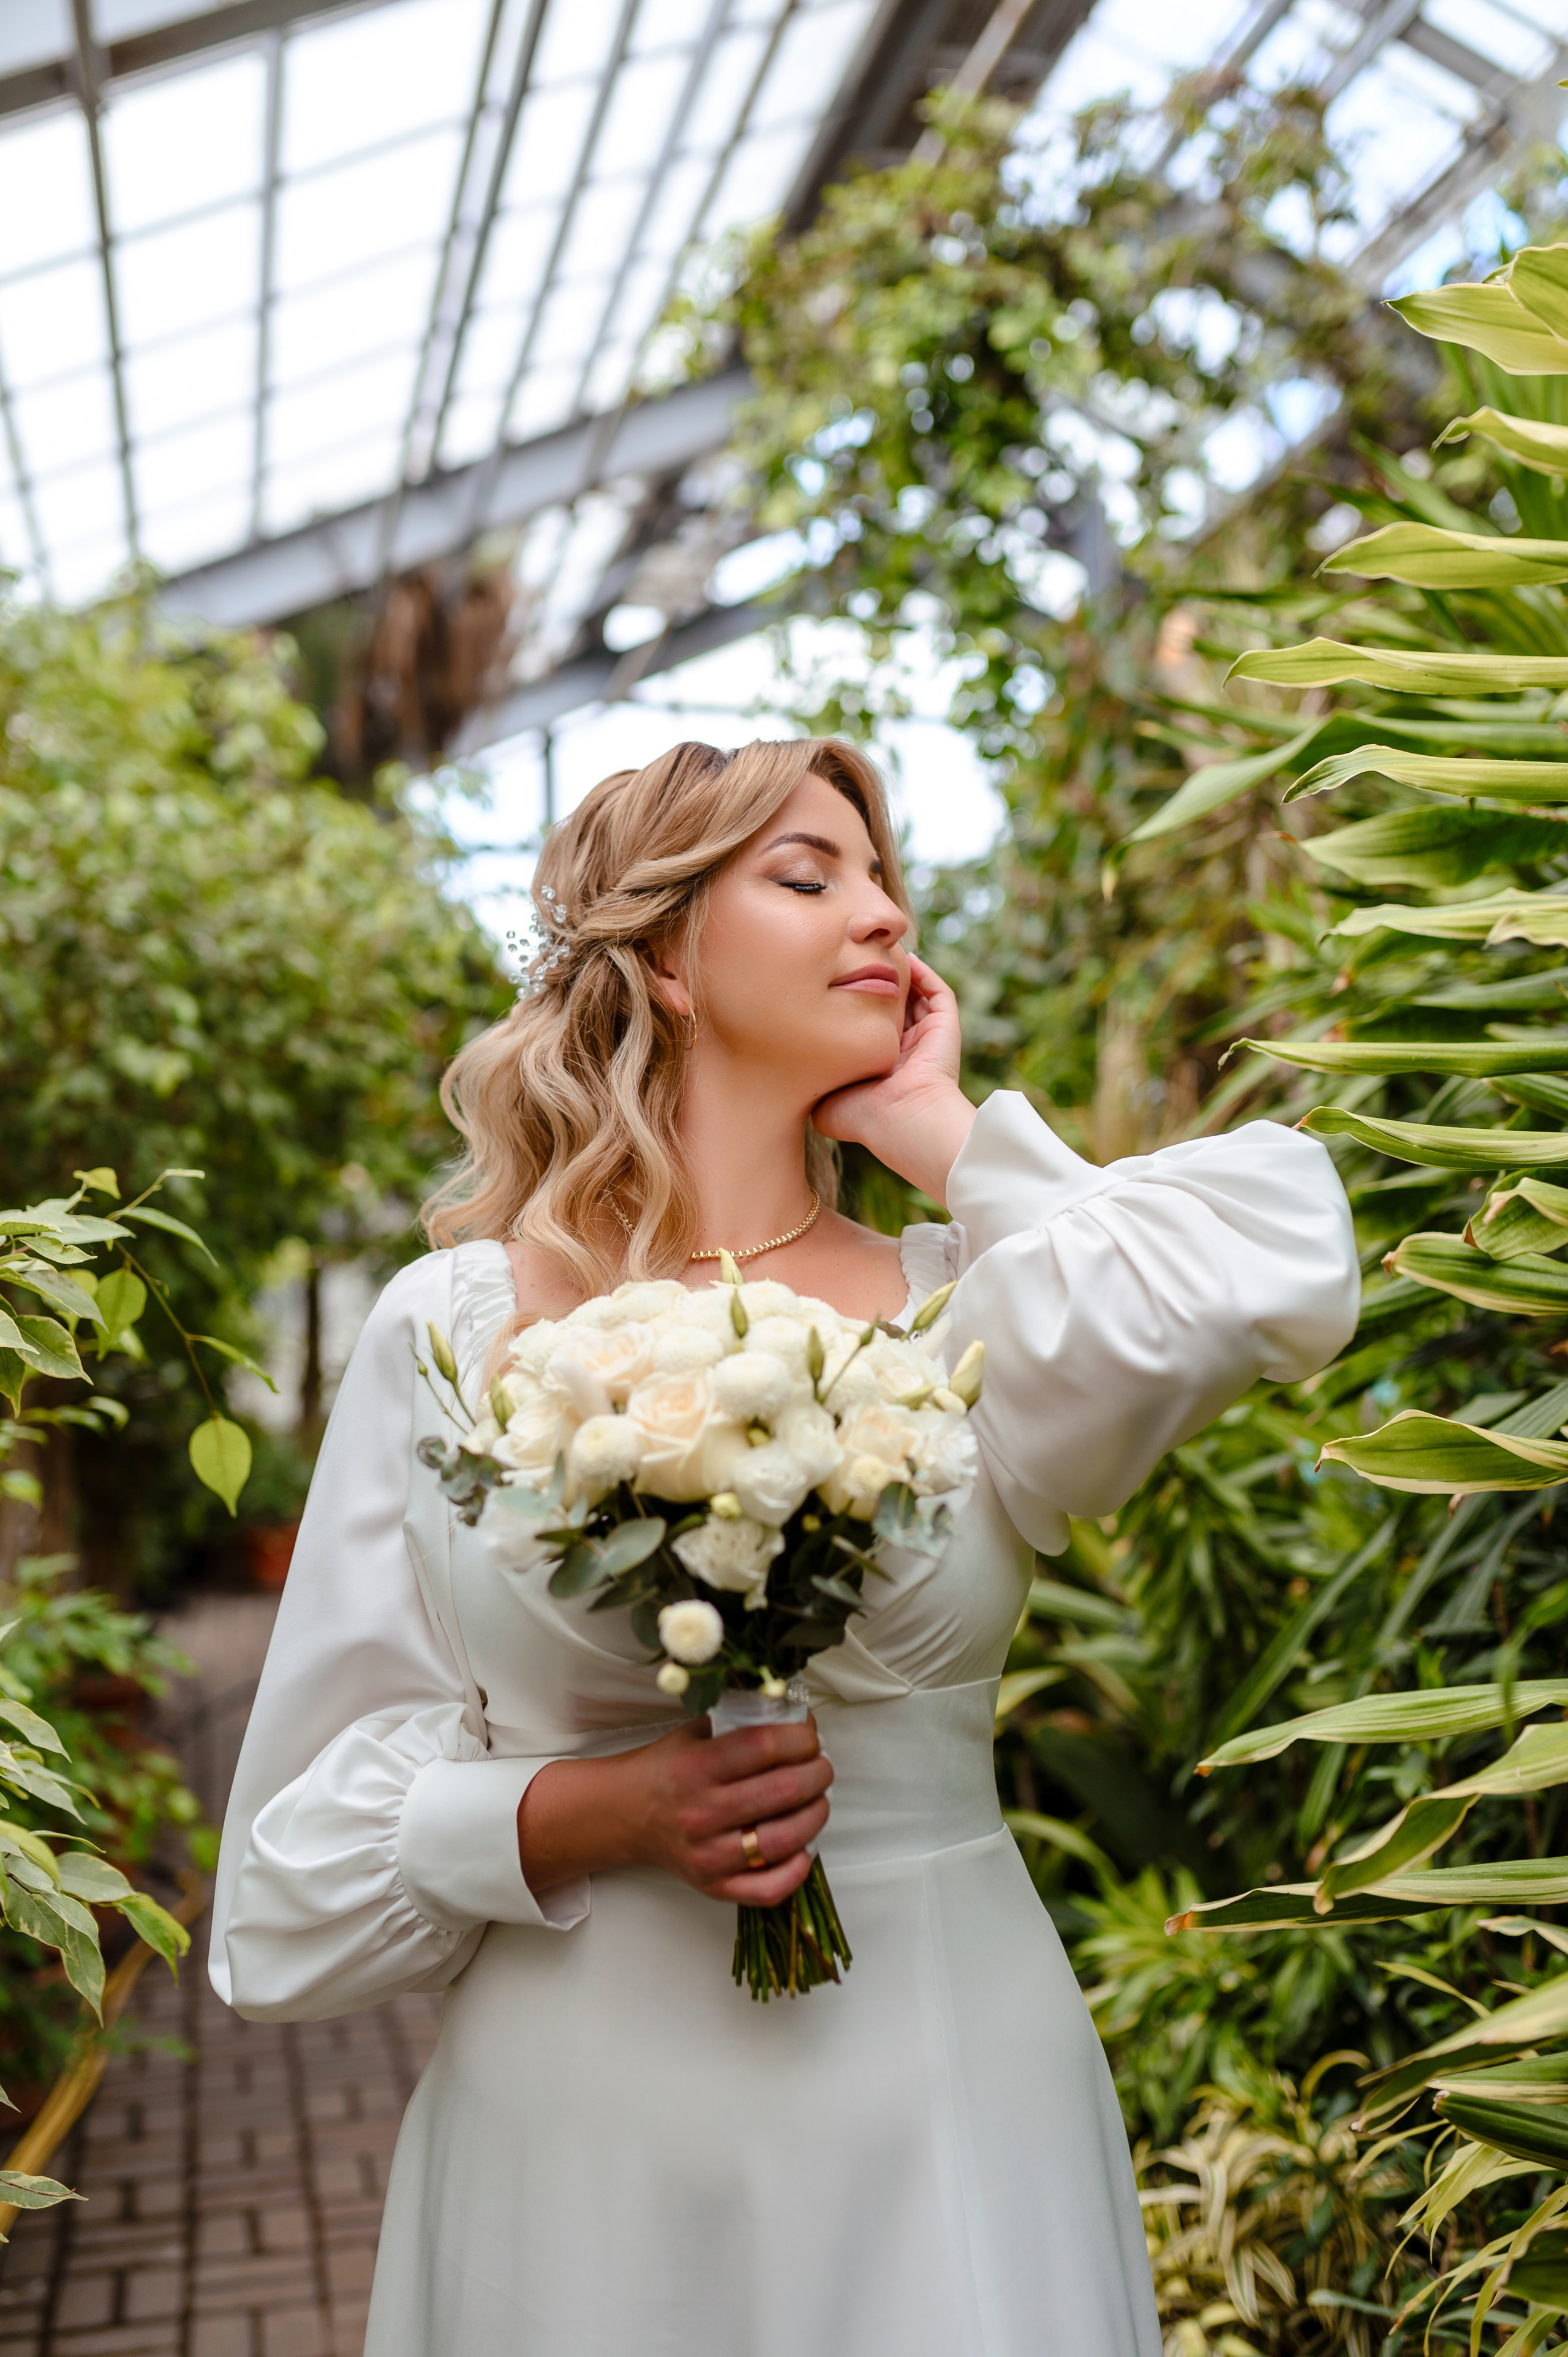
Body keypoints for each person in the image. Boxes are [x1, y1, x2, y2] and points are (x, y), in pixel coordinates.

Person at [211, 737, 1359, 2356]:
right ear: (669, 959)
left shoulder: (975, 1297)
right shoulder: (454, 1328)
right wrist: (571, 1814)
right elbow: (285, 1885)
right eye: (811, 876)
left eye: (889, 878)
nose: (883, 915)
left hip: (941, 2096)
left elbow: (1274, 1276)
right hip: (575, 2136)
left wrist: (942, 1129)